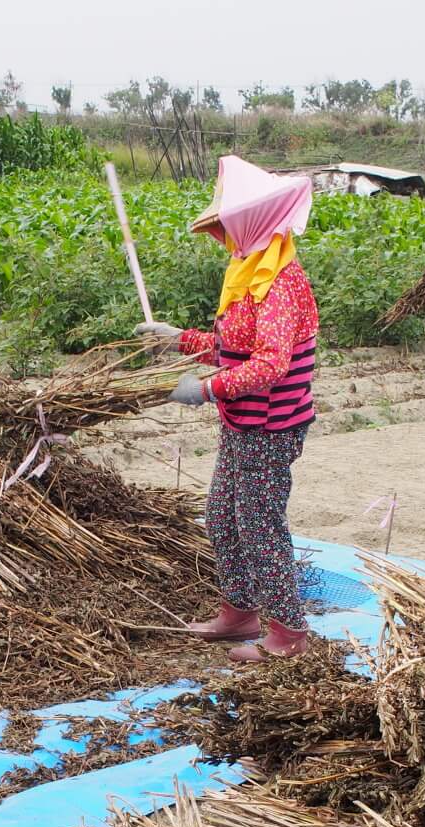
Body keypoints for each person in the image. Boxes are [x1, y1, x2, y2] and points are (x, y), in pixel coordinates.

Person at [134, 155, 319, 663]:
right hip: (242, 423)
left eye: (226, 226)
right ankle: (239, 614)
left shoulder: (280, 283)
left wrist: (206, 390)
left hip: (271, 427)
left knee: (258, 523)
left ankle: (289, 636)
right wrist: (179, 340)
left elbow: (270, 365)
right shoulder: (249, 271)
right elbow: (229, 346)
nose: (221, 236)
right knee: (222, 516)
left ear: (251, 222)